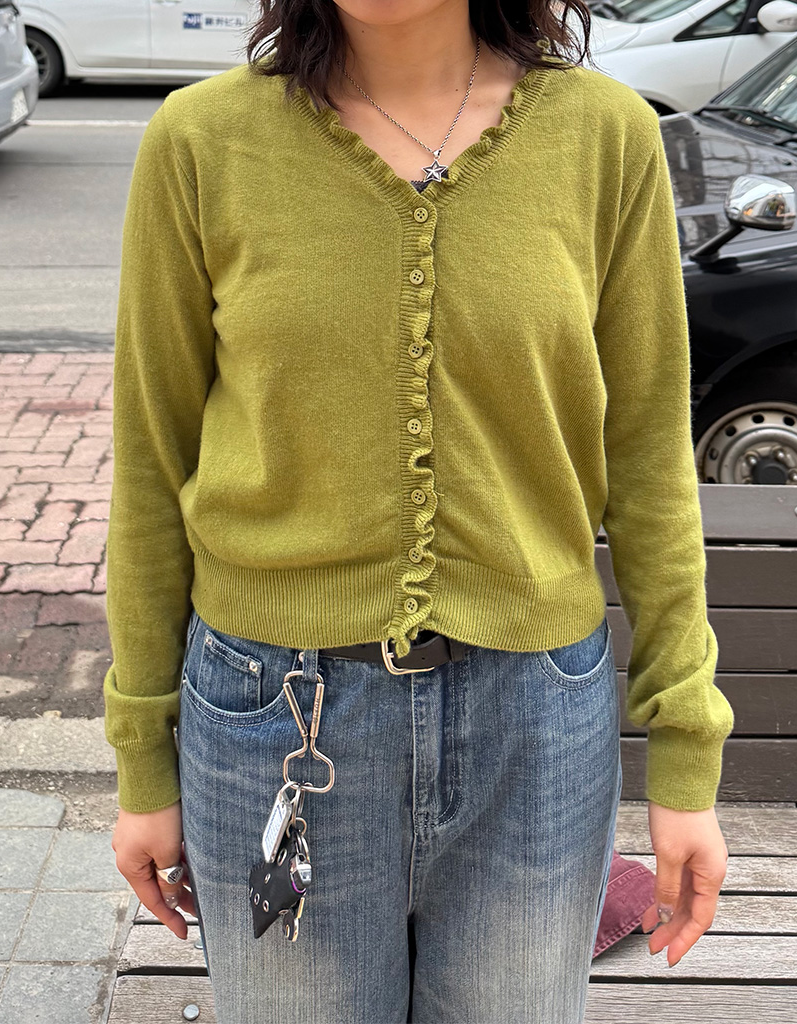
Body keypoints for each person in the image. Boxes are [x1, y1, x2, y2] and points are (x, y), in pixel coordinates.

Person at [105, 2, 735, 1021]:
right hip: (271, 721)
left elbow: (650, 456)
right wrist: (142, 754)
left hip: (534, 728)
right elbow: (150, 462)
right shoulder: (202, 140)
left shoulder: (605, 136)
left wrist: (686, 745)